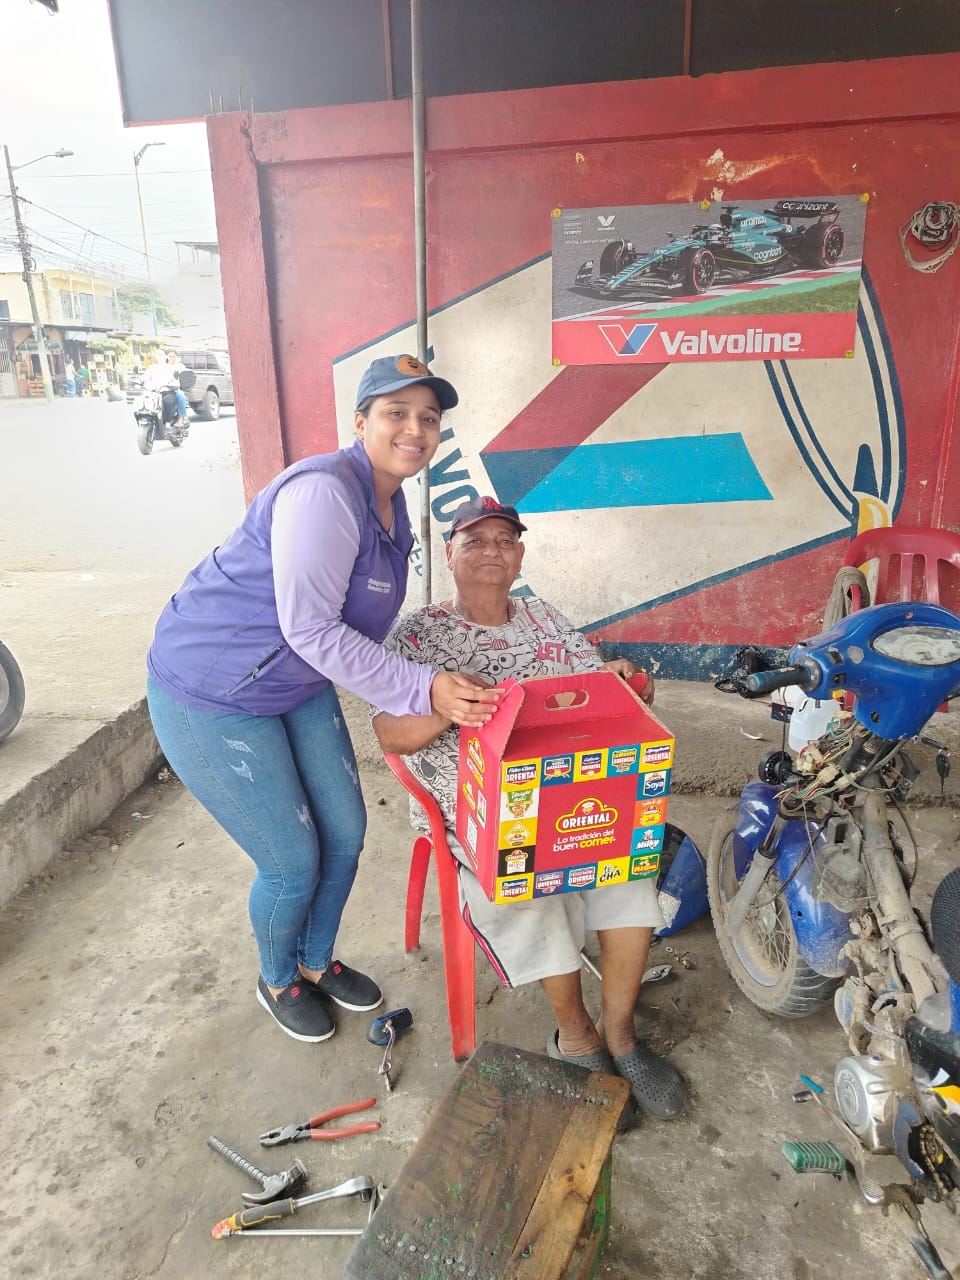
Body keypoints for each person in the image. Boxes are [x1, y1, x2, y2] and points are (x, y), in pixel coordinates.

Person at [146, 355, 500, 1044]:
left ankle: (315, 960)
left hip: (296, 681)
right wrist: (422, 688)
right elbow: (310, 627)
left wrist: (429, 671)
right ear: (360, 422)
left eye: (429, 418)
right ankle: (278, 977)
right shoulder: (324, 494)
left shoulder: (392, 504)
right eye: (396, 413)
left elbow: (350, 627)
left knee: (345, 830)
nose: (415, 429)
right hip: (212, 689)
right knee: (290, 860)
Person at [372, 496, 688, 1121]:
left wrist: (622, 679)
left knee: (630, 870)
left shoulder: (544, 617)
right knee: (530, 889)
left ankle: (622, 1035)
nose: (492, 550)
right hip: (476, 812)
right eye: (475, 540)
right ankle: (576, 1036)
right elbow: (388, 733)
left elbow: (590, 692)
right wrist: (450, 709)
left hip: (569, 791)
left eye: (505, 540)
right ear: (449, 554)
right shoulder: (417, 633)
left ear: (519, 555)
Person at [144, 350, 189, 425]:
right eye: (158, 354)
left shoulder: (174, 367)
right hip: (155, 391)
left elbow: (175, 378)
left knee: (178, 397)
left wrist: (173, 384)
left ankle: (177, 419)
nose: (172, 358)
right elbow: (145, 378)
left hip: (171, 389)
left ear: (165, 356)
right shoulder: (152, 367)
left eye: (161, 354)